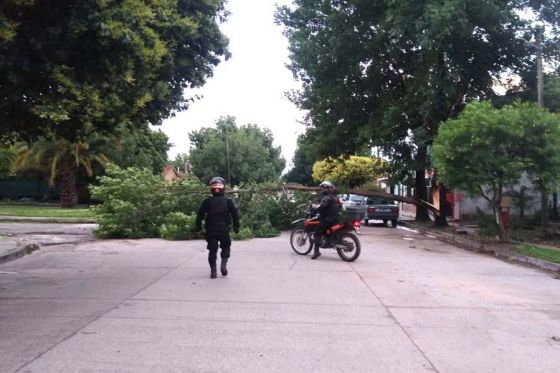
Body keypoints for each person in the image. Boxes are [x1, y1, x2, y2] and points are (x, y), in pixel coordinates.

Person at [195, 177, 240, 278]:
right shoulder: (228, 202)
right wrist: (237, 227)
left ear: (211, 189)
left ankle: (213, 271)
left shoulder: (206, 202)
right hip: (224, 230)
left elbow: (200, 216)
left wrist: (198, 228)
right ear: (223, 188)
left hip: (211, 230)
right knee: (226, 247)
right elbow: (235, 215)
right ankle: (223, 265)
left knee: (212, 250)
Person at [311, 180, 341, 260]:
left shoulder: (326, 198)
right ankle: (329, 241)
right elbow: (340, 208)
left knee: (317, 234)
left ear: (327, 189)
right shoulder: (336, 198)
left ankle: (316, 252)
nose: (322, 190)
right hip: (336, 219)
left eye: (323, 189)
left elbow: (322, 208)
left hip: (327, 220)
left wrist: (315, 211)